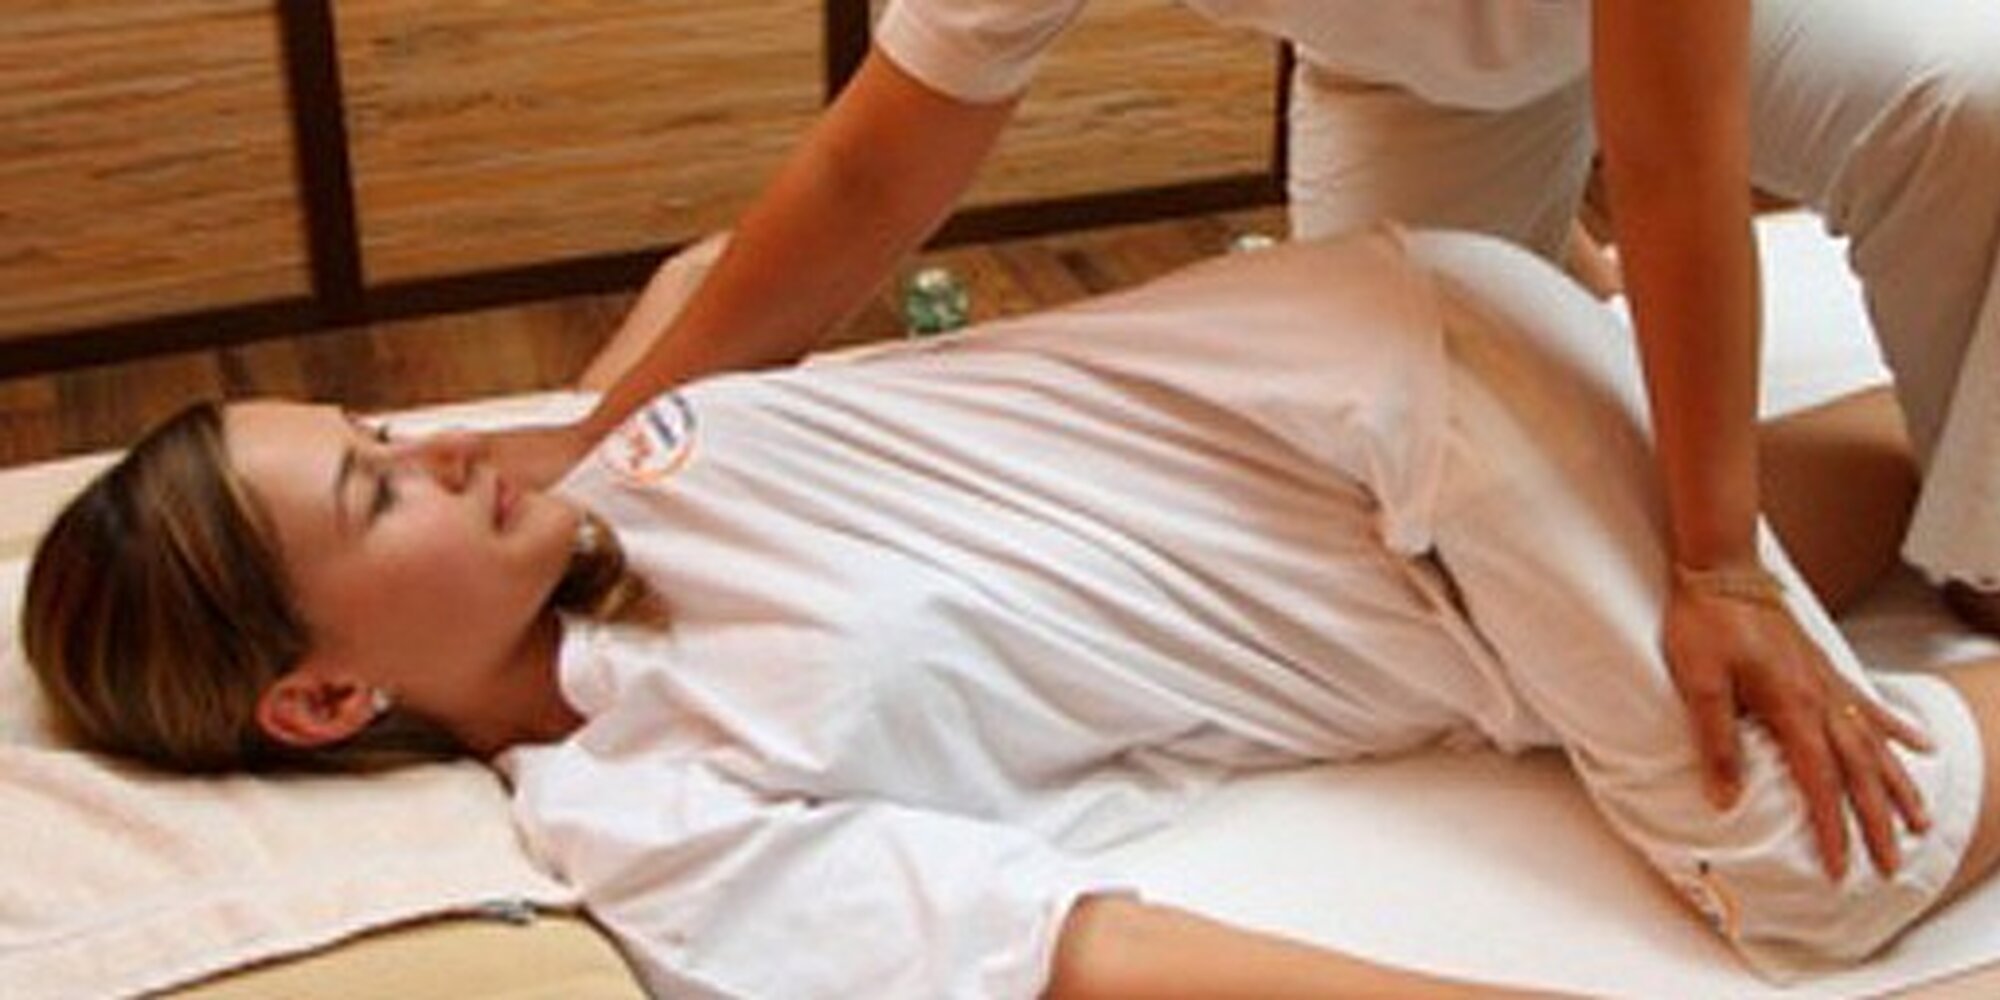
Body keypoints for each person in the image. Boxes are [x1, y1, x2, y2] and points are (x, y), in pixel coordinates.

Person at [21, 230, 2000, 997]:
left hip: (1404, 419)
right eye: (378, 486)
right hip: (1438, 481)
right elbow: (1084, 950)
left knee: (1815, 861)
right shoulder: (645, 814)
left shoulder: (616, 463)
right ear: (322, 697)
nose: (444, 445)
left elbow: (712, 268)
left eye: (383, 429)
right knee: (1796, 549)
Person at [480, 0, 2000, 886]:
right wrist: (599, 438)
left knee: (1974, 108)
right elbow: (875, 170)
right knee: (1458, 484)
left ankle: (1982, 545)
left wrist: (1720, 566)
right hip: (1409, 62)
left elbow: (1673, 163)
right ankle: (1682, 357)